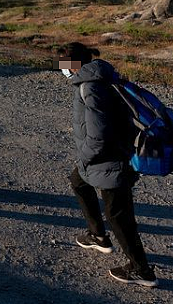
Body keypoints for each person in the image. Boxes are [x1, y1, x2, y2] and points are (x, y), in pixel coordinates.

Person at [56, 42, 158, 288]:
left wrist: (87, 156)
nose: (62, 69)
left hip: (111, 160)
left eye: (64, 64)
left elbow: (99, 135)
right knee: (78, 181)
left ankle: (142, 270)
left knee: (119, 216)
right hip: (106, 158)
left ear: (75, 64)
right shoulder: (100, 77)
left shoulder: (90, 87)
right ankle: (98, 235)